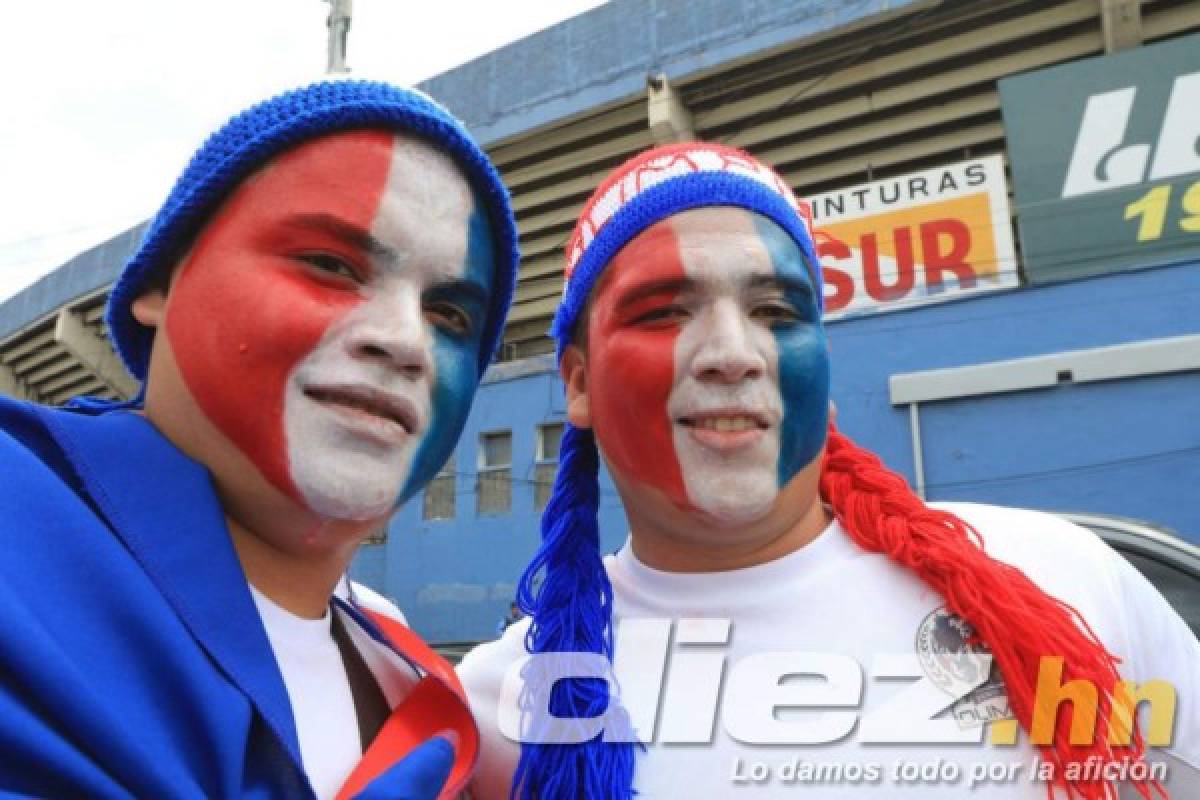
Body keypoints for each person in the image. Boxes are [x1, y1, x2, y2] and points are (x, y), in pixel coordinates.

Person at [457, 143, 1200, 799]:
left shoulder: (1055, 579)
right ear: (578, 383)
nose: (733, 354)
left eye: (778, 311)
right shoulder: (499, 707)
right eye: (664, 312)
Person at [0, 80, 519, 799]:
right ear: (157, 283)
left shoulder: (429, 704)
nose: (408, 342)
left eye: (451, 317)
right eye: (332, 266)